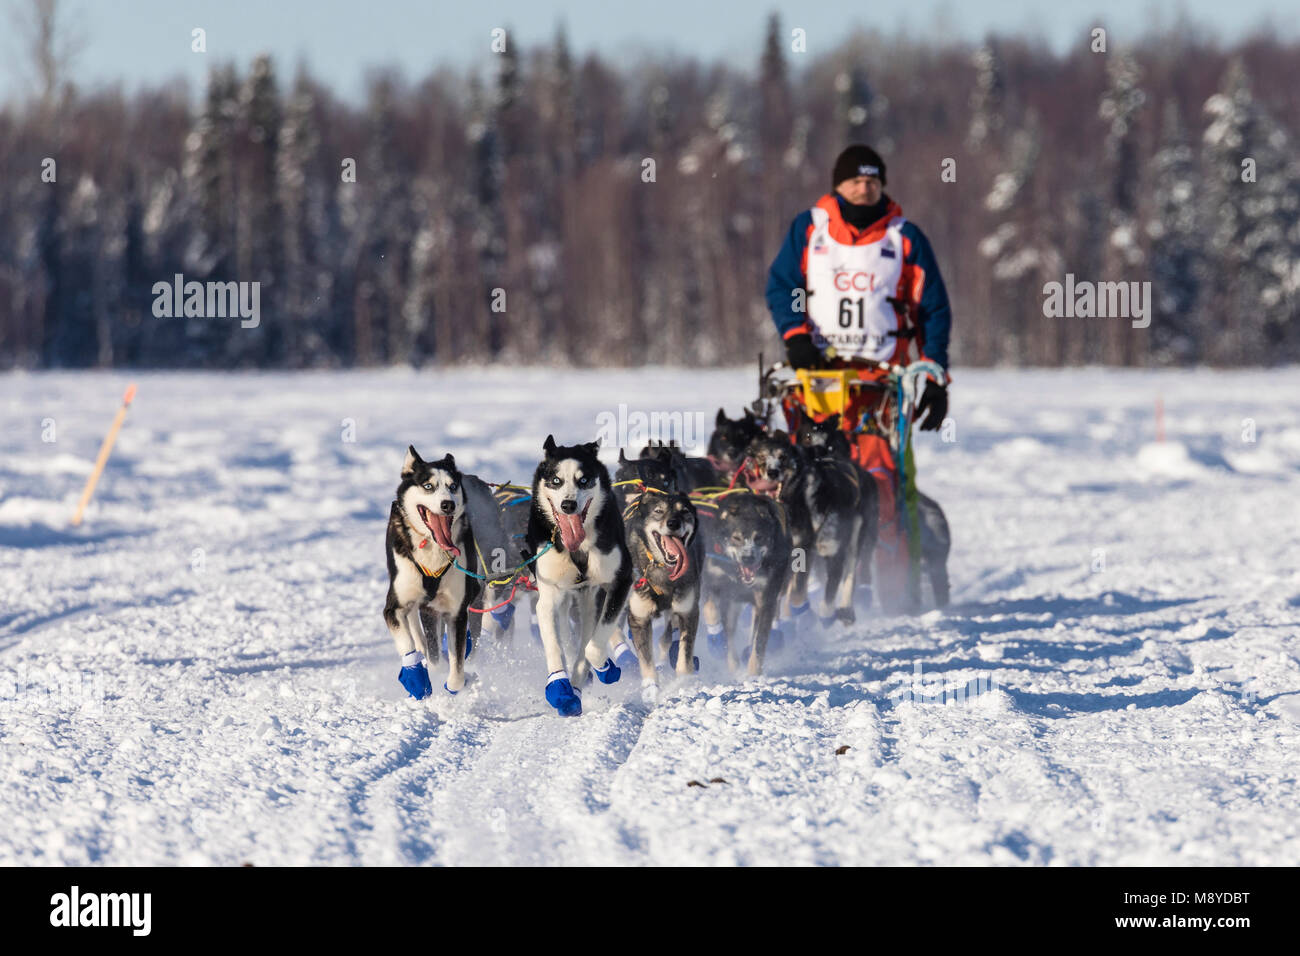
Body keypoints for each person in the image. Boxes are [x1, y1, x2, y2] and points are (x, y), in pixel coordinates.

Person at [765, 144, 953, 609]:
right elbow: (784, 285)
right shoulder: (810, 228)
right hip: (817, 379)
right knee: (804, 479)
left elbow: (933, 308)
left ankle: (888, 592)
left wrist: (934, 374)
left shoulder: (904, 236)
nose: (864, 187)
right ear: (838, 184)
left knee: (878, 481)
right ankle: (796, 590)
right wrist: (796, 337)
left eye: (873, 180)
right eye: (855, 180)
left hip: (879, 383)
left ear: (882, 184)